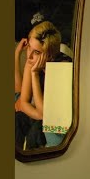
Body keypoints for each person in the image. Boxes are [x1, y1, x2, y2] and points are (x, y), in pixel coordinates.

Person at [14, 17, 71, 150]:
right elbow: (24, 102)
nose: (29, 56)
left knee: (34, 130)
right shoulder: (32, 60)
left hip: (52, 117)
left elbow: (45, 114)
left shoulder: (61, 68)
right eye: (29, 47)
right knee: (18, 118)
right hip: (37, 111)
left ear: (50, 55)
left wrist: (34, 74)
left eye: (37, 52)